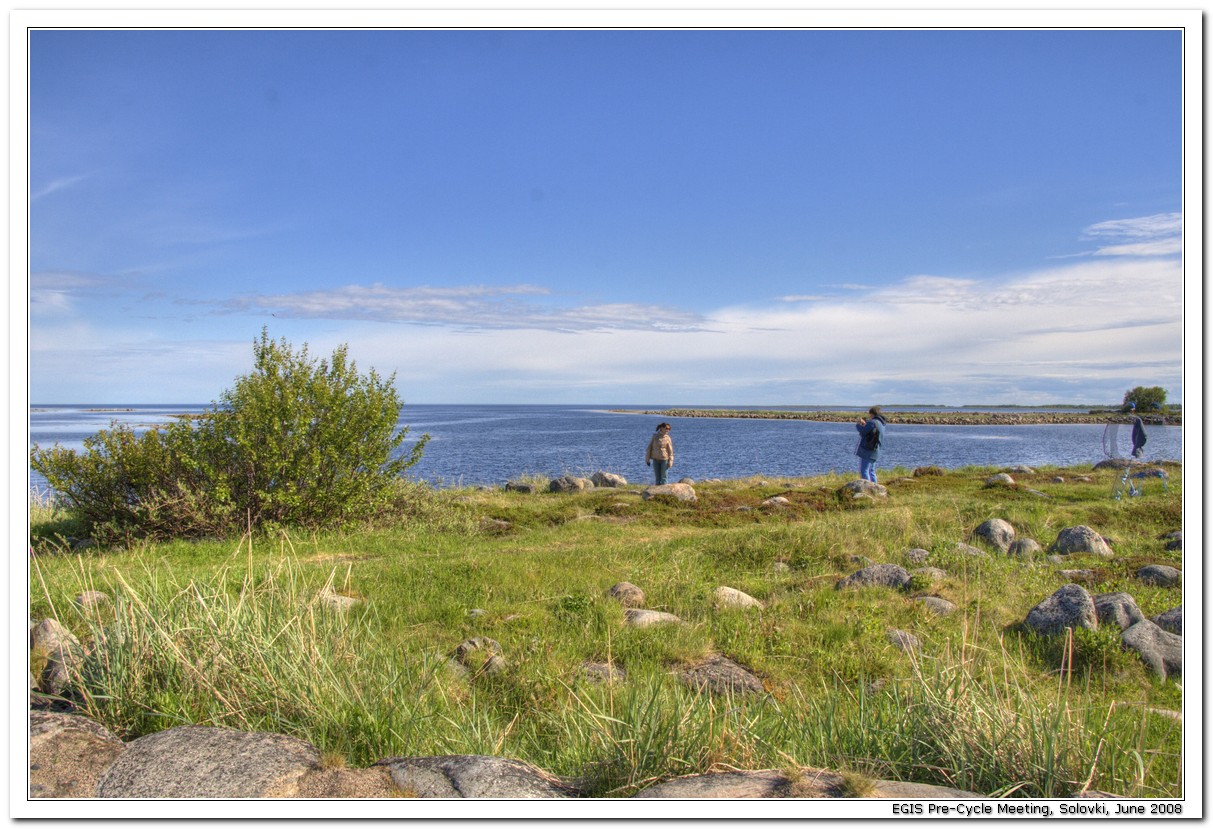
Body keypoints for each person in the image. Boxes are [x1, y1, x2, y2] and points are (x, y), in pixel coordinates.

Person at [855, 407, 886, 483]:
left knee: (864, 471)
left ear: (872, 414)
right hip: (876, 450)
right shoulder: (881, 423)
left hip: (869, 450)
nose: (869, 416)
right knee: (871, 471)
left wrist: (858, 424)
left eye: (869, 414)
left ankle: (867, 489)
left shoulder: (872, 422)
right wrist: (865, 424)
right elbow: (871, 430)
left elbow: (863, 430)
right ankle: (875, 488)